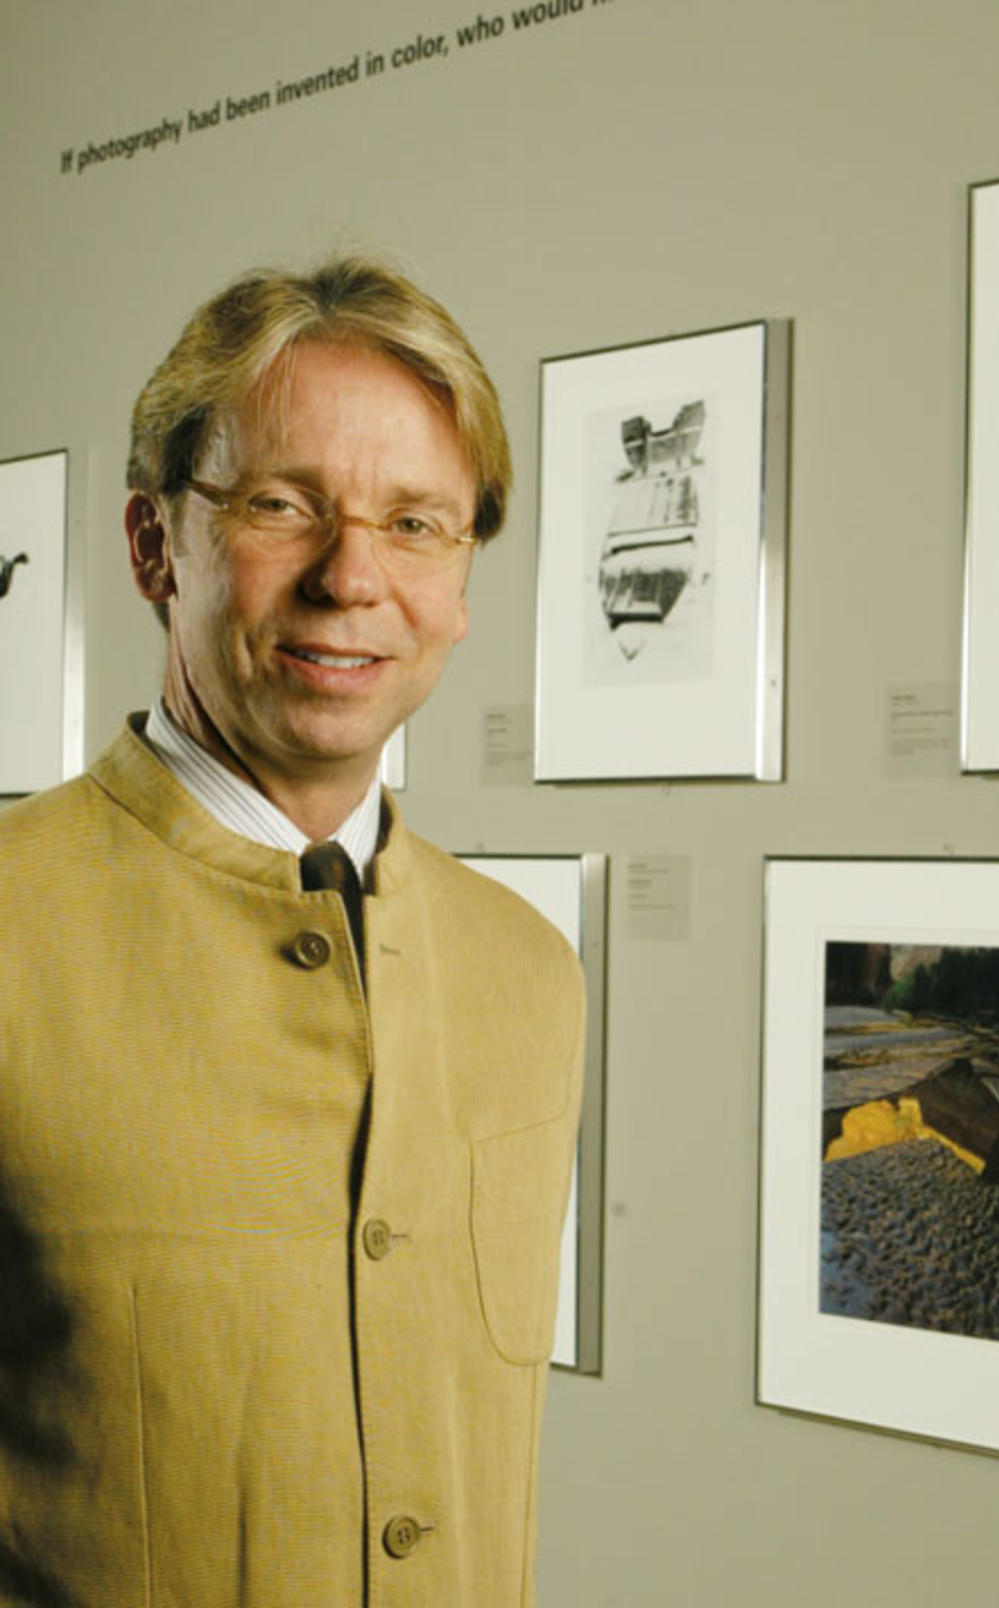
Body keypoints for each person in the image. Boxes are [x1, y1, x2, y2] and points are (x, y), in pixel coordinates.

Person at [0, 258, 585, 1606]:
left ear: (464, 576)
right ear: (157, 543)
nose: (351, 577)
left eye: (417, 524)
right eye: (284, 506)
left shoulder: (530, 972)